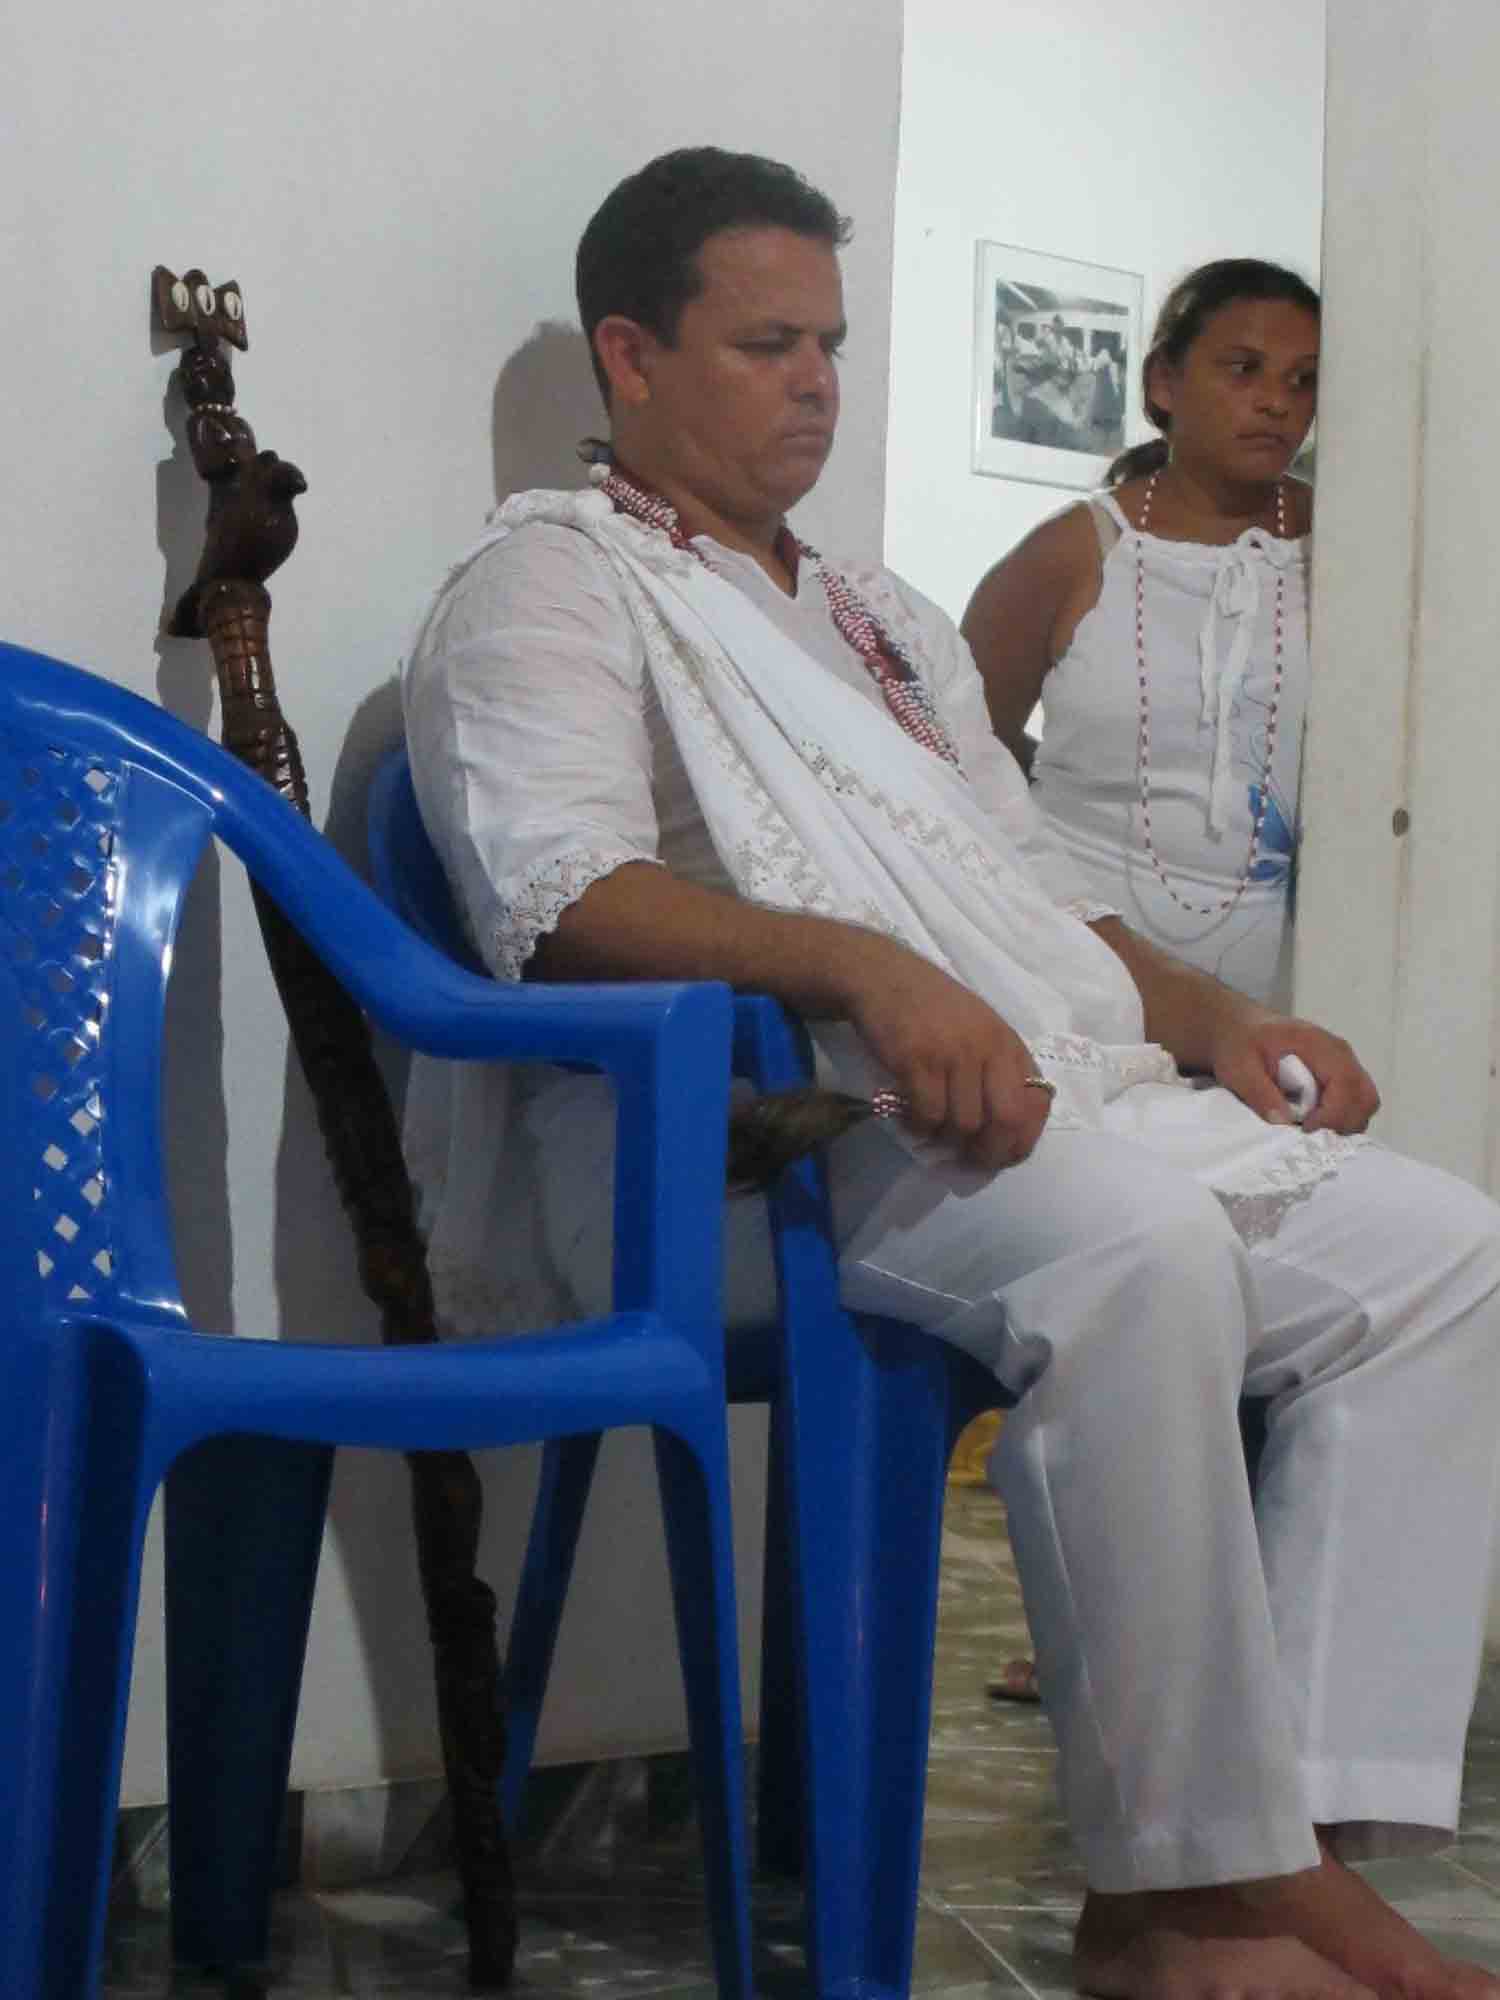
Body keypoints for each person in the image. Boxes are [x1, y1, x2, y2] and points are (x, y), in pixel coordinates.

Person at [402, 149, 1500, 2000]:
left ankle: (1269, 1860)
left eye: (829, 343)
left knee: (1442, 1252)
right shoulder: (549, 586)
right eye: (767, 344)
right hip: (735, 1145)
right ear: (633, 356)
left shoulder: (876, 617)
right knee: (1143, 1249)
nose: (817, 384)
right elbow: (560, 892)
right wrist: (865, 967)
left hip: (999, 1101)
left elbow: (1033, 885)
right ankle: (1196, 1889)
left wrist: (1215, 1022)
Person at [962, 260, 1320, 1010]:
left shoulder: (1341, 546)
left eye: (1303, 381)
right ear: (1164, 382)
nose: (1276, 402)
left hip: (1286, 988)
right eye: (1244, 369)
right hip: (1074, 968)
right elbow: (963, 744)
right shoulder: (1074, 552)